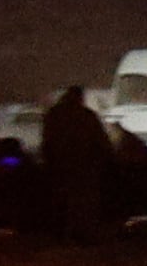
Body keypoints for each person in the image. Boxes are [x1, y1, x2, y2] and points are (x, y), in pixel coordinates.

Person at [38, 85, 110, 242]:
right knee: (84, 201)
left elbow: (47, 141)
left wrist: (48, 161)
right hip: (84, 166)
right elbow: (101, 141)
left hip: (61, 165)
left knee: (63, 199)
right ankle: (83, 233)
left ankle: (63, 233)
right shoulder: (86, 116)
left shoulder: (54, 115)